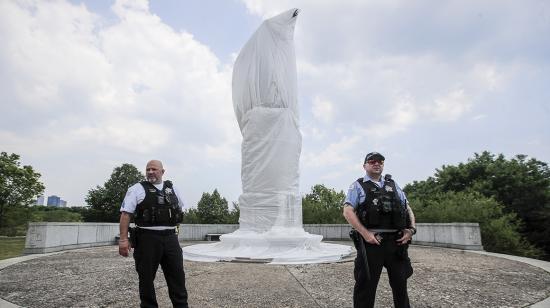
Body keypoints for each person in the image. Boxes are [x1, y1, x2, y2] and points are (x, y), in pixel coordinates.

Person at [343, 152, 416, 308]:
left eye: (380, 161)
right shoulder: (357, 185)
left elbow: (407, 208)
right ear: (365, 166)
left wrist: (411, 230)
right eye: (372, 161)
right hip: (372, 243)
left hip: (397, 243)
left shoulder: (393, 184)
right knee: (365, 286)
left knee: (400, 285)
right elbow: (347, 211)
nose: (377, 164)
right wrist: (365, 233)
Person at [118, 160, 188, 308]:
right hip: (147, 239)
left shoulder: (173, 188)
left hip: (170, 239)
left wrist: (175, 233)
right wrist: (123, 240)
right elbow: (125, 214)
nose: (150, 172)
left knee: (177, 277)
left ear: (162, 172)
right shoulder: (137, 189)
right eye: (148, 169)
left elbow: (179, 211)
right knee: (146, 279)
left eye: (154, 169)